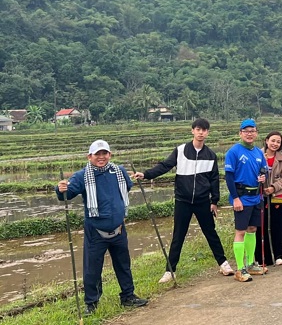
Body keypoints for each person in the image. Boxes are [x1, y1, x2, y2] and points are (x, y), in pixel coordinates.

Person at [133, 118, 233, 283]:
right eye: (198, 129)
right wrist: (146, 174)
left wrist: (214, 201)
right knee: (178, 235)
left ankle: (223, 264)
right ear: (192, 130)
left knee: (211, 233)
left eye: (204, 130)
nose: (201, 132)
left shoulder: (211, 155)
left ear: (208, 133)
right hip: (183, 201)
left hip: (203, 202)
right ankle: (170, 270)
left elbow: (214, 180)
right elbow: (165, 166)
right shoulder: (180, 151)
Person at [56, 140, 148, 316]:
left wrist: (129, 186)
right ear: (89, 157)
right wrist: (60, 189)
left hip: (119, 228)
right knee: (92, 269)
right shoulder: (82, 176)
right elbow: (67, 193)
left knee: (123, 264)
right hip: (96, 231)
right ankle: (91, 303)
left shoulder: (118, 172)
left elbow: (126, 187)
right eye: (97, 154)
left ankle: (128, 296)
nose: (101, 157)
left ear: (110, 155)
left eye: (104, 153)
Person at [224, 118, 267, 282]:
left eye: (252, 131)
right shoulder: (233, 152)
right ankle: (240, 268)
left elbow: (264, 171)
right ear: (240, 133)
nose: (249, 134)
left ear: (256, 133)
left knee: (252, 230)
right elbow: (229, 177)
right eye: (246, 131)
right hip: (241, 198)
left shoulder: (258, 152)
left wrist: (264, 177)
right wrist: (235, 198)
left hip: (256, 197)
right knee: (240, 231)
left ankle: (250, 263)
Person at [259, 131, 282, 267]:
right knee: (262, 226)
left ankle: (278, 254)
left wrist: (273, 187)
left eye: (278, 142)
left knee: (278, 225)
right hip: (261, 195)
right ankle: (263, 257)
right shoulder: (258, 155)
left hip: (277, 195)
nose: (275, 144)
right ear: (266, 140)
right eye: (273, 140)